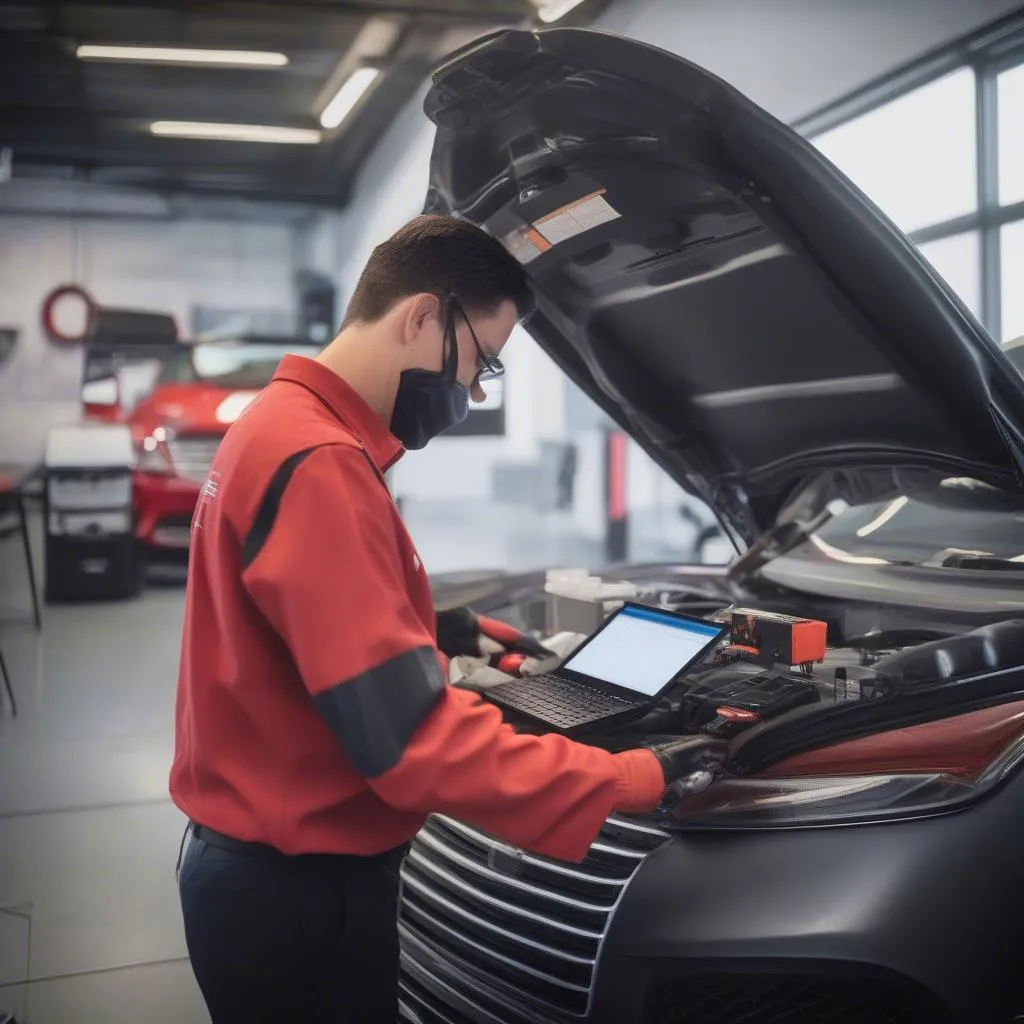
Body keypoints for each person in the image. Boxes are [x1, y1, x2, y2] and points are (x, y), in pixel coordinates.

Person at [169, 214, 726, 1023]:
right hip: (299, 894)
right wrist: (628, 777)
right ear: (423, 315)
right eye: (480, 362)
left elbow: (278, 627)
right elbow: (410, 747)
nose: (470, 392)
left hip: (256, 873)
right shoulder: (322, 461)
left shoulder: (277, 423)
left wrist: (434, 634)